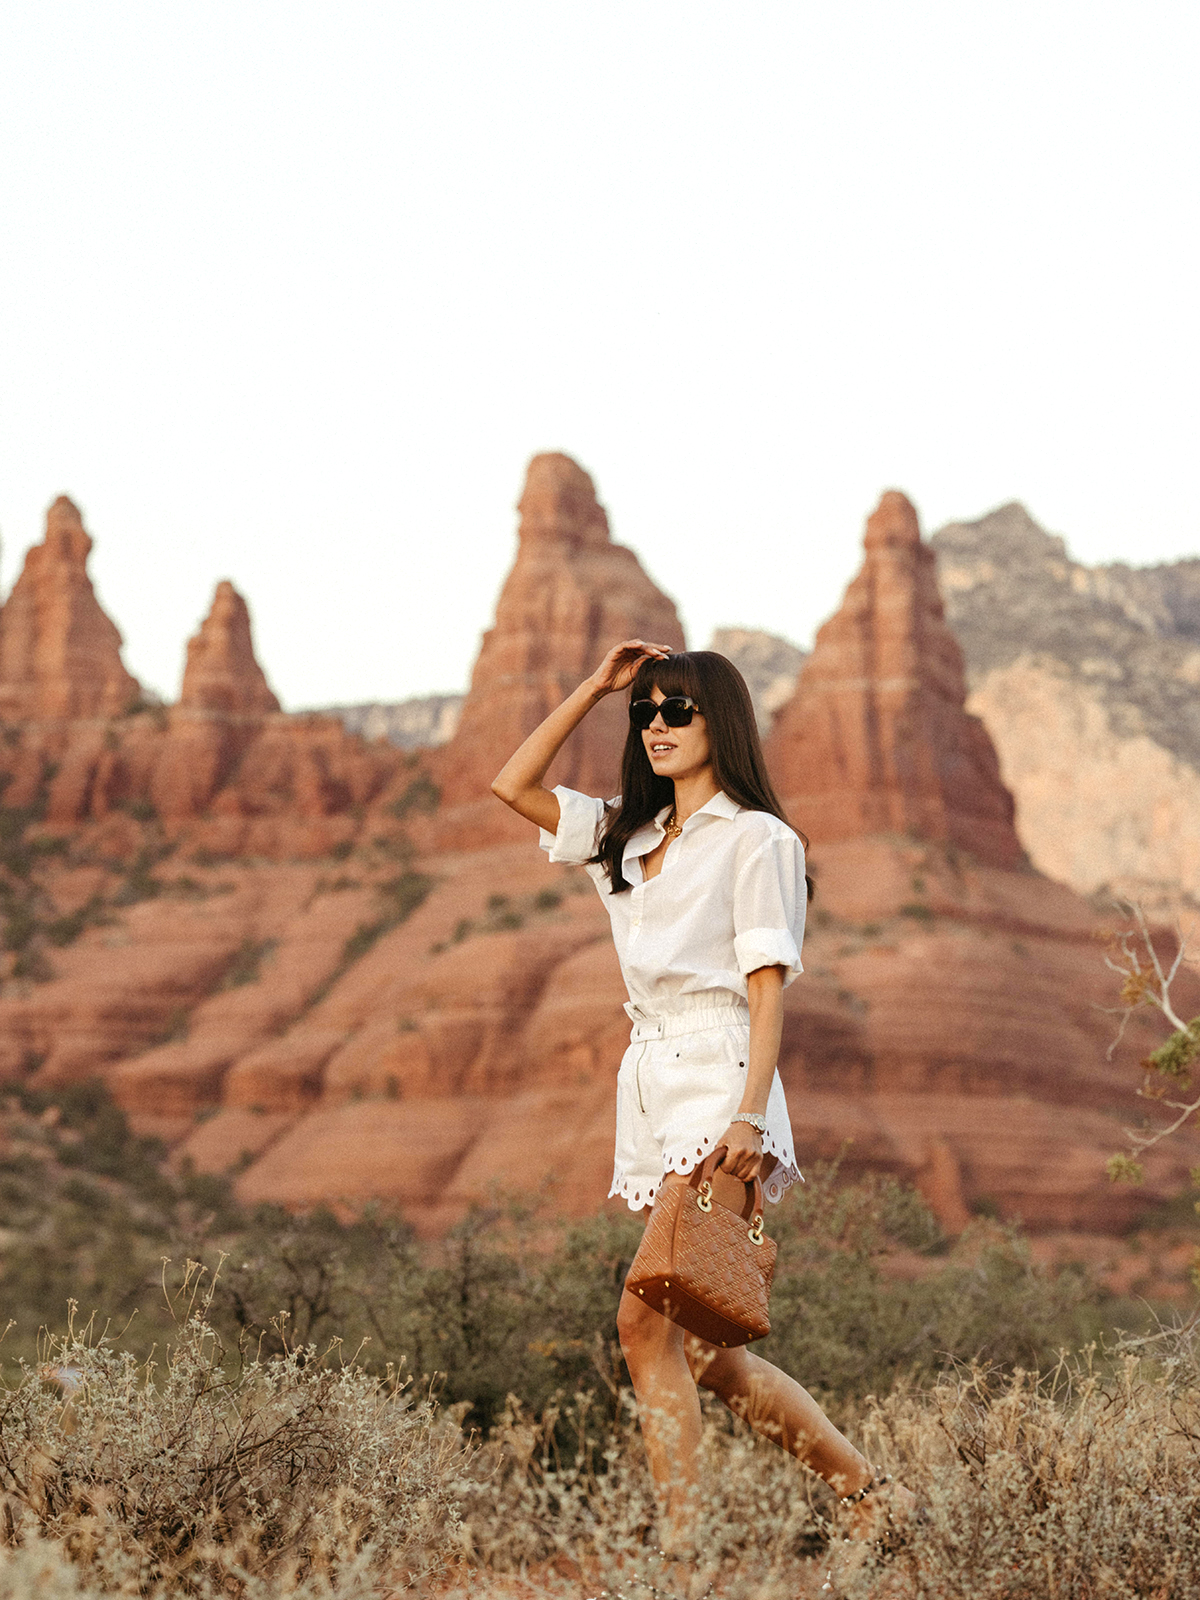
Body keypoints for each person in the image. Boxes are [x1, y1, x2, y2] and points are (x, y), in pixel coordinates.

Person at [491, 639, 909, 1558]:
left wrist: (749, 1115)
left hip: (722, 1080)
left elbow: (766, 987)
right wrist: (596, 687)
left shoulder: (758, 838)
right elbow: (511, 784)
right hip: (650, 1080)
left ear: (721, 722)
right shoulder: (628, 838)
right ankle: (872, 1498)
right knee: (715, 1357)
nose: (657, 725)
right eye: (645, 711)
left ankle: (683, 1550)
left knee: (641, 1322)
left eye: (677, 709)